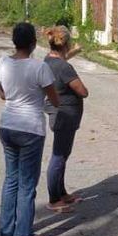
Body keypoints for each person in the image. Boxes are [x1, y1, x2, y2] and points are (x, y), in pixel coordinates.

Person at [0, 22, 59, 236]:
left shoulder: (3, 62)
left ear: (14, 42)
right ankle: (22, 235)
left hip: (7, 126)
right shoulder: (39, 67)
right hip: (30, 129)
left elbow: (3, 94)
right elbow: (54, 99)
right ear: (33, 43)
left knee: (11, 178)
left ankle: (6, 230)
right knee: (27, 184)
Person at [43, 26, 89, 212]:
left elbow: (61, 59)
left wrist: (74, 51)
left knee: (63, 155)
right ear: (66, 43)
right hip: (65, 116)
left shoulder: (48, 61)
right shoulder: (64, 68)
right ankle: (54, 199)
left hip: (59, 114)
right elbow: (82, 91)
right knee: (59, 156)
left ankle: (61, 193)